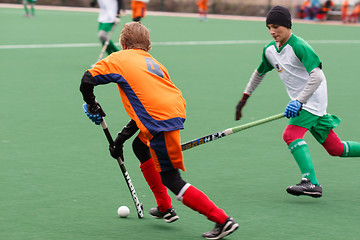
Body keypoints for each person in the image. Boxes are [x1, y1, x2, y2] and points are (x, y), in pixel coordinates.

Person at [80, 22, 238, 239]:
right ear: (148, 46)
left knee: (172, 179)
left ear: (123, 44)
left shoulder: (119, 58)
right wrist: (120, 140)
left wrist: (91, 105)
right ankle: (164, 206)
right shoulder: (154, 63)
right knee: (140, 147)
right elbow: (147, 109)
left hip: (160, 120)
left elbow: (87, 79)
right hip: (173, 113)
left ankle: (222, 220)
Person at [235, 6, 360, 198]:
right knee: (336, 149)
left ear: (287, 25)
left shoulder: (299, 46)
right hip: (302, 101)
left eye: (276, 26)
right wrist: (245, 97)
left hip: (312, 99)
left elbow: (316, 76)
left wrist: (300, 101)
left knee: (291, 134)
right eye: (269, 27)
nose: (272, 31)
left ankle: (311, 182)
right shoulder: (270, 50)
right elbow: (259, 73)